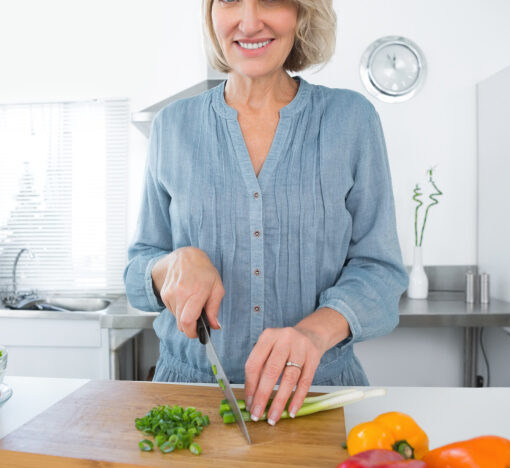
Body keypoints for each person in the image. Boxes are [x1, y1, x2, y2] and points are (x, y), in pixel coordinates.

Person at [124, 0, 408, 426]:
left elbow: (380, 270)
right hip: (189, 394)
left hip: (317, 392)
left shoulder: (352, 120)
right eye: (231, 0)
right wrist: (171, 265)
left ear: (301, 12)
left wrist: (314, 332)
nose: (250, 20)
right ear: (211, 13)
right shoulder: (171, 126)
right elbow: (137, 270)